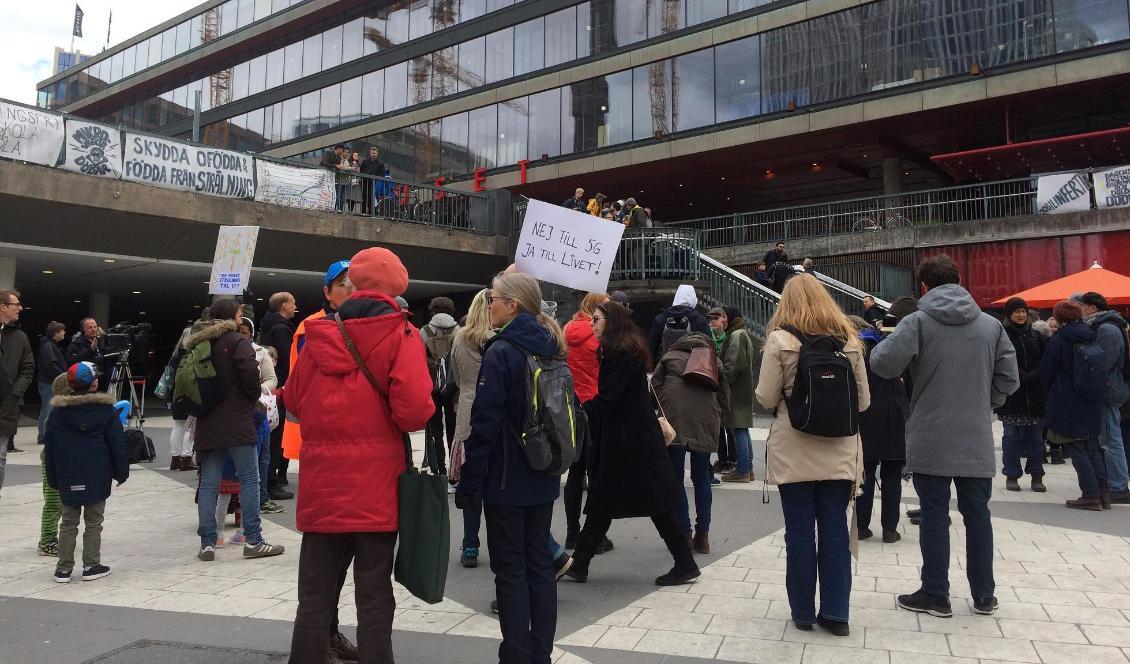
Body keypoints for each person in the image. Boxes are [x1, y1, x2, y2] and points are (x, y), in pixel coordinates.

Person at [285, 247, 434, 664]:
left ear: (354, 283)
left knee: (314, 593)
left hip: (322, 486)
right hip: (376, 487)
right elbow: (414, 411)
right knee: (373, 592)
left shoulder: (319, 334)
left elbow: (294, 399)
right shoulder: (400, 334)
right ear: (397, 286)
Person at [871, 254, 1018, 619]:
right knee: (977, 514)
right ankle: (984, 594)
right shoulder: (990, 325)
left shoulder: (918, 321)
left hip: (930, 433)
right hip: (975, 436)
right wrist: (986, 401)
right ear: (959, 278)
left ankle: (936, 593)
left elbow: (882, 362)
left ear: (923, 286)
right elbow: (1009, 380)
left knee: (935, 514)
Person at [455, 271, 567, 664]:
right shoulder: (551, 344)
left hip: (506, 477)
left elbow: (484, 425)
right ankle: (541, 654)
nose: (490, 304)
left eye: (495, 297)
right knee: (539, 562)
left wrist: (470, 482)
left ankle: (515, 655)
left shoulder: (502, 351)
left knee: (511, 570)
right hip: (544, 470)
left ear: (513, 304)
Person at [754, 274, 869, 636]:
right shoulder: (849, 341)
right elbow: (863, 402)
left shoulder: (780, 340)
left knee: (799, 530)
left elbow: (766, 398)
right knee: (834, 527)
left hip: (794, 448)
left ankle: (803, 612)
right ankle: (836, 613)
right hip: (839, 449)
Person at [565, 300, 700, 587]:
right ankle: (580, 564)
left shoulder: (621, 353)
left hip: (630, 441)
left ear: (610, 322)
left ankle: (685, 563)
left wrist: (580, 412)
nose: (592, 324)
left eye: (597, 320)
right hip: (629, 439)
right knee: (604, 502)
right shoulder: (621, 350)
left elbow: (610, 398)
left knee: (650, 503)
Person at [278, 260, 359, 662]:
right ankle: (319, 641)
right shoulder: (309, 329)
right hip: (322, 451)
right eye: (342, 285)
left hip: (354, 456)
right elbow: (301, 392)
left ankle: (329, 635)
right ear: (327, 292)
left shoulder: (366, 325)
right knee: (322, 561)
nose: (350, 290)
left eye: (355, 284)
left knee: (340, 558)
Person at [191, 298, 286, 563]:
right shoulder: (237, 342)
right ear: (235, 315)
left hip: (207, 421)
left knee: (209, 483)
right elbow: (250, 377)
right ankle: (253, 539)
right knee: (249, 479)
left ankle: (208, 543)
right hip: (237, 420)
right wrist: (252, 396)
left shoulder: (199, 342)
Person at [44, 364, 128, 583]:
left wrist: (53, 477)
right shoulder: (106, 410)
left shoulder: (58, 413)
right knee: (94, 522)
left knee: (68, 522)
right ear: (94, 383)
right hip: (97, 474)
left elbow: (50, 448)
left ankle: (63, 569)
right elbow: (116, 443)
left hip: (68, 475)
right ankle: (91, 565)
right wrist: (122, 472)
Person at [652, 332, 729, 554]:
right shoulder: (712, 359)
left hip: (675, 418)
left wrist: (663, 408)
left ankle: (684, 533)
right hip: (704, 419)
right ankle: (702, 536)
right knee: (701, 478)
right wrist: (719, 414)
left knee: (676, 478)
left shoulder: (670, 356)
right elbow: (724, 393)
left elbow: (654, 386)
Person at [855, 299, 916, 543]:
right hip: (896, 413)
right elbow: (912, 384)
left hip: (867, 412)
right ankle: (890, 529)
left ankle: (861, 526)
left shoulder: (864, 346)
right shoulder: (903, 348)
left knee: (866, 472)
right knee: (891, 474)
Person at [1041, 300, 1109, 510]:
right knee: (1092, 447)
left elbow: (1046, 372)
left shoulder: (1059, 341)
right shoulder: (1091, 335)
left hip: (1067, 400)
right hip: (1091, 400)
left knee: (1076, 447)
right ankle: (1104, 494)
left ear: (1059, 318)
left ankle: (1090, 496)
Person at [1071, 292, 1130, 504]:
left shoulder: (1106, 328)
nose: (1080, 310)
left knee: (1110, 439)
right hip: (1111, 388)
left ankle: (1118, 486)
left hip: (1108, 390)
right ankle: (1116, 483)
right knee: (1109, 437)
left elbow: (1103, 362)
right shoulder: (1111, 326)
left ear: (1092, 308)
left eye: (1082, 306)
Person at [450, 289, 493, 569]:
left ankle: (469, 545)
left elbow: (454, 375)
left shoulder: (459, 337)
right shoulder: (497, 339)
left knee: (471, 484)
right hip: (491, 411)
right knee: (494, 484)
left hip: (465, 412)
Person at [563, 292, 608, 550]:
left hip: (571, 405)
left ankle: (572, 532)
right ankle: (596, 536)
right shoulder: (599, 335)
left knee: (575, 472)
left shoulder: (567, 329)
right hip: (595, 406)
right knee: (596, 472)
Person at [996, 297, 1048, 493]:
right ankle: (1012, 474)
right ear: (1009, 314)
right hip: (1012, 395)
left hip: (1035, 395)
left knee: (1036, 439)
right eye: (1017, 311)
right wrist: (1017, 375)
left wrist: (1033, 375)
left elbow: (1046, 361)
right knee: (1011, 438)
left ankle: (1037, 475)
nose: (1021, 314)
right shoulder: (1003, 337)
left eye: (1023, 311)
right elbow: (999, 361)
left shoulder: (1037, 336)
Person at [237, 317, 281, 515]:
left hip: (259, 410)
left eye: (245, 331)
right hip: (238, 413)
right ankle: (242, 504)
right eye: (239, 330)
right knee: (246, 460)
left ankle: (261, 498)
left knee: (263, 457)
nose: (242, 335)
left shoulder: (261, 352)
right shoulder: (228, 351)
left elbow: (271, 379)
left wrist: (256, 390)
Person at [260, 292, 298, 500]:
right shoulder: (283, 330)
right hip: (281, 389)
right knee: (277, 436)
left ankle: (273, 478)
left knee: (272, 435)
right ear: (284, 305)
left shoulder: (268, 326)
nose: (295, 306)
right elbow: (289, 361)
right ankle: (272, 481)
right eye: (292, 303)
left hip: (271, 389)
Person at [420, 296, 461, 477]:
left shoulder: (424, 331)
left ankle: (439, 469)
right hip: (452, 386)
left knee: (435, 429)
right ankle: (454, 468)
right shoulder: (459, 331)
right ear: (451, 311)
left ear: (433, 311)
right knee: (453, 428)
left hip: (431, 385)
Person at [0, 290, 34, 495]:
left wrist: (14, 393)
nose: (20, 308)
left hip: (7, 406)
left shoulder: (20, 337)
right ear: (3, 306)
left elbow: (28, 368)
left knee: (0, 456)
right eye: (16, 304)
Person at [720, 306, 757, 483]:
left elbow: (733, 365)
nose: (723, 319)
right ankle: (747, 469)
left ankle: (742, 469)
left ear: (733, 317)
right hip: (741, 389)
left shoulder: (737, 335)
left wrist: (723, 383)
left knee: (738, 428)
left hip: (735, 390)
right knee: (741, 428)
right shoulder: (740, 333)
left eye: (725, 316)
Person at [648, 284, 710, 361]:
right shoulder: (699, 320)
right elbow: (709, 346)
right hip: (691, 368)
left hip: (666, 366)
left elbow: (652, 348)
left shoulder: (660, 319)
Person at [706, 308, 734, 475]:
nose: (713, 322)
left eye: (716, 318)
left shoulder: (728, 338)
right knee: (718, 427)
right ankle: (722, 458)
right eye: (711, 319)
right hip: (713, 385)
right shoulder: (708, 337)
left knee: (729, 426)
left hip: (725, 387)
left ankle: (731, 459)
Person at [37, 322, 68, 443]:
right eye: (62, 330)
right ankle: (43, 435)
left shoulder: (49, 345)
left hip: (48, 381)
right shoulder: (48, 346)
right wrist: (62, 376)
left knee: (48, 408)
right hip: (49, 382)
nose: (64, 332)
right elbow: (50, 365)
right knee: (48, 408)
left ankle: (45, 434)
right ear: (56, 332)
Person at [321, 144, 353, 213]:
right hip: (322, 175)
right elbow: (325, 163)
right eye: (342, 150)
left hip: (332, 178)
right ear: (338, 149)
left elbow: (339, 168)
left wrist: (345, 168)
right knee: (335, 195)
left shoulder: (338, 158)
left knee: (338, 196)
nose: (343, 151)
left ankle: (336, 209)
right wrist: (336, 165)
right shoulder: (328, 153)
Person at [359, 146, 386, 215]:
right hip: (364, 182)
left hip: (373, 183)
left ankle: (371, 212)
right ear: (370, 153)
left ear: (377, 154)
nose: (373, 154)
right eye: (372, 153)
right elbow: (361, 171)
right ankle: (363, 212)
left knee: (371, 198)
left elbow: (382, 174)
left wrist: (375, 176)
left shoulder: (380, 164)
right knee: (363, 197)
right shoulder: (365, 161)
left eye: (375, 153)